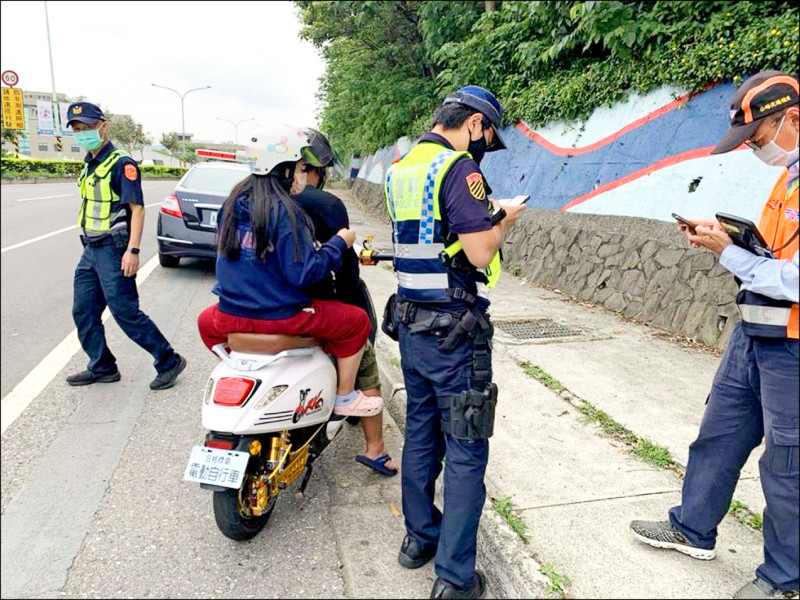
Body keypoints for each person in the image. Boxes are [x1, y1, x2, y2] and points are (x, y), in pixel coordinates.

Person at [630, 71, 799, 600]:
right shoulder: (788, 178)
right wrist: (729, 240)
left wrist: (724, 252)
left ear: (792, 118)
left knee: (787, 465)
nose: (753, 150)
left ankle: (784, 578)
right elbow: (774, 256)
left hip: (792, 348)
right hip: (755, 334)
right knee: (718, 437)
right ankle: (691, 527)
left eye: (758, 137)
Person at [384, 85, 526, 599]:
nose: (485, 145)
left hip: (411, 328)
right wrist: (503, 219)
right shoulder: (460, 170)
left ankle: (418, 540)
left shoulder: (399, 169)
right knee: (466, 450)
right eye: (487, 134)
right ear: (473, 125)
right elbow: (480, 249)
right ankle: (455, 579)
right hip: (455, 335)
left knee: (422, 434)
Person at [196, 125, 382, 418]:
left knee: (203, 322)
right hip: (281, 316)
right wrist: (338, 243)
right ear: (282, 170)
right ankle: (345, 396)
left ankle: (245, 366)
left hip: (229, 314)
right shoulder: (286, 212)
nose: (302, 175)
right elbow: (305, 273)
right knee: (357, 322)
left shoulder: (233, 203)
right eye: (300, 167)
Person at [294, 128, 398, 475]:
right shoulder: (326, 204)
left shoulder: (254, 199)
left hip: (260, 306)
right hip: (314, 306)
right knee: (363, 347)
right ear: (312, 169)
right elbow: (344, 268)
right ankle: (375, 449)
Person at [64, 102, 186, 390]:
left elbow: (138, 209)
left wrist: (132, 251)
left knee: (125, 312)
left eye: (87, 128)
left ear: (103, 126)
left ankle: (168, 360)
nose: (82, 134)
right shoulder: (90, 161)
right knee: (83, 310)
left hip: (113, 248)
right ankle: (102, 366)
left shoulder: (122, 163)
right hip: (90, 249)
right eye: (77, 129)